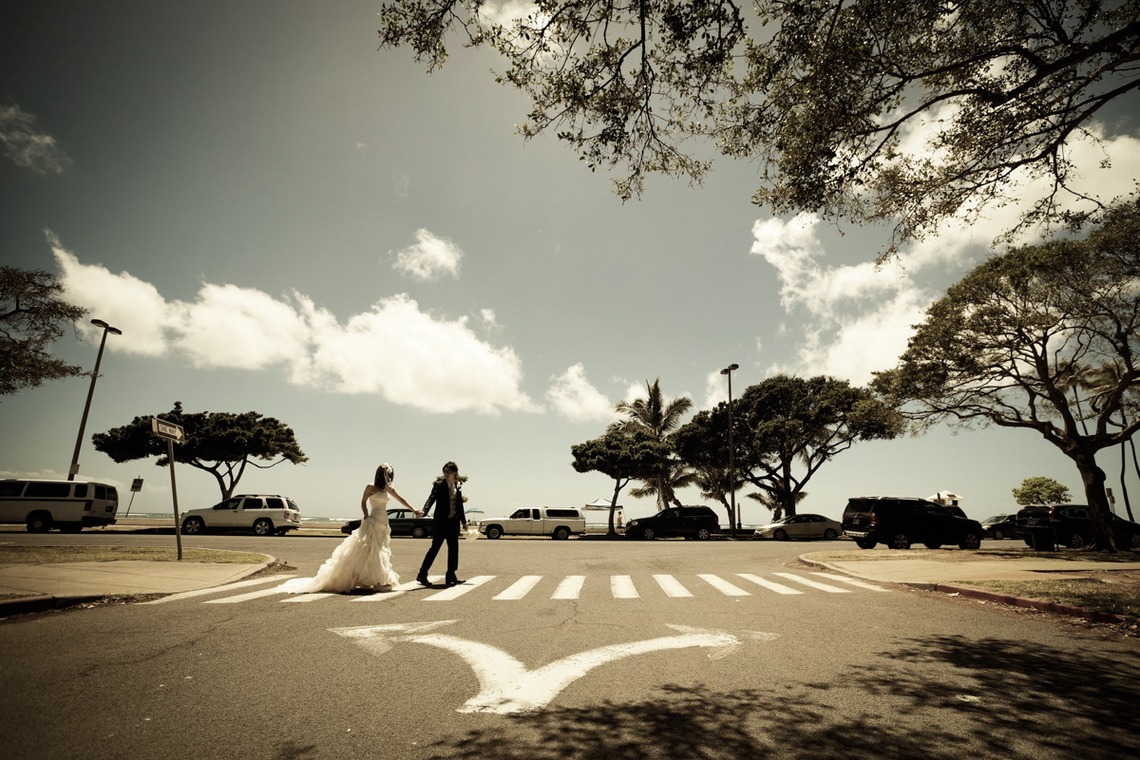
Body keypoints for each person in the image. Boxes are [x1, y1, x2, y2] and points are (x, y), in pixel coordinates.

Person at [278, 463, 419, 594]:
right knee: (370, 548)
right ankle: (372, 579)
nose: (388, 476)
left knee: (380, 548)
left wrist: (414, 509)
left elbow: (401, 499)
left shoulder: (389, 488)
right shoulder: (371, 487)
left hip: (383, 520)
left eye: (390, 474)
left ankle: (375, 579)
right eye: (387, 473)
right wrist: (365, 516)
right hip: (373, 519)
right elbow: (363, 501)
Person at [416, 461, 467, 587]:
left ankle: (451, 575)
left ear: (455, 472)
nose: (446, 474)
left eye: (448, 472)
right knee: (434, 549)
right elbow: (431, 498)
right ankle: (422, 574)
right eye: (444, 472)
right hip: (441, 523)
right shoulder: (439, 485)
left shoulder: (457, 486)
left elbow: (459, 506)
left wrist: (464, 521)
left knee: (454, 549)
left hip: (453, 523)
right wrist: (424, 510)